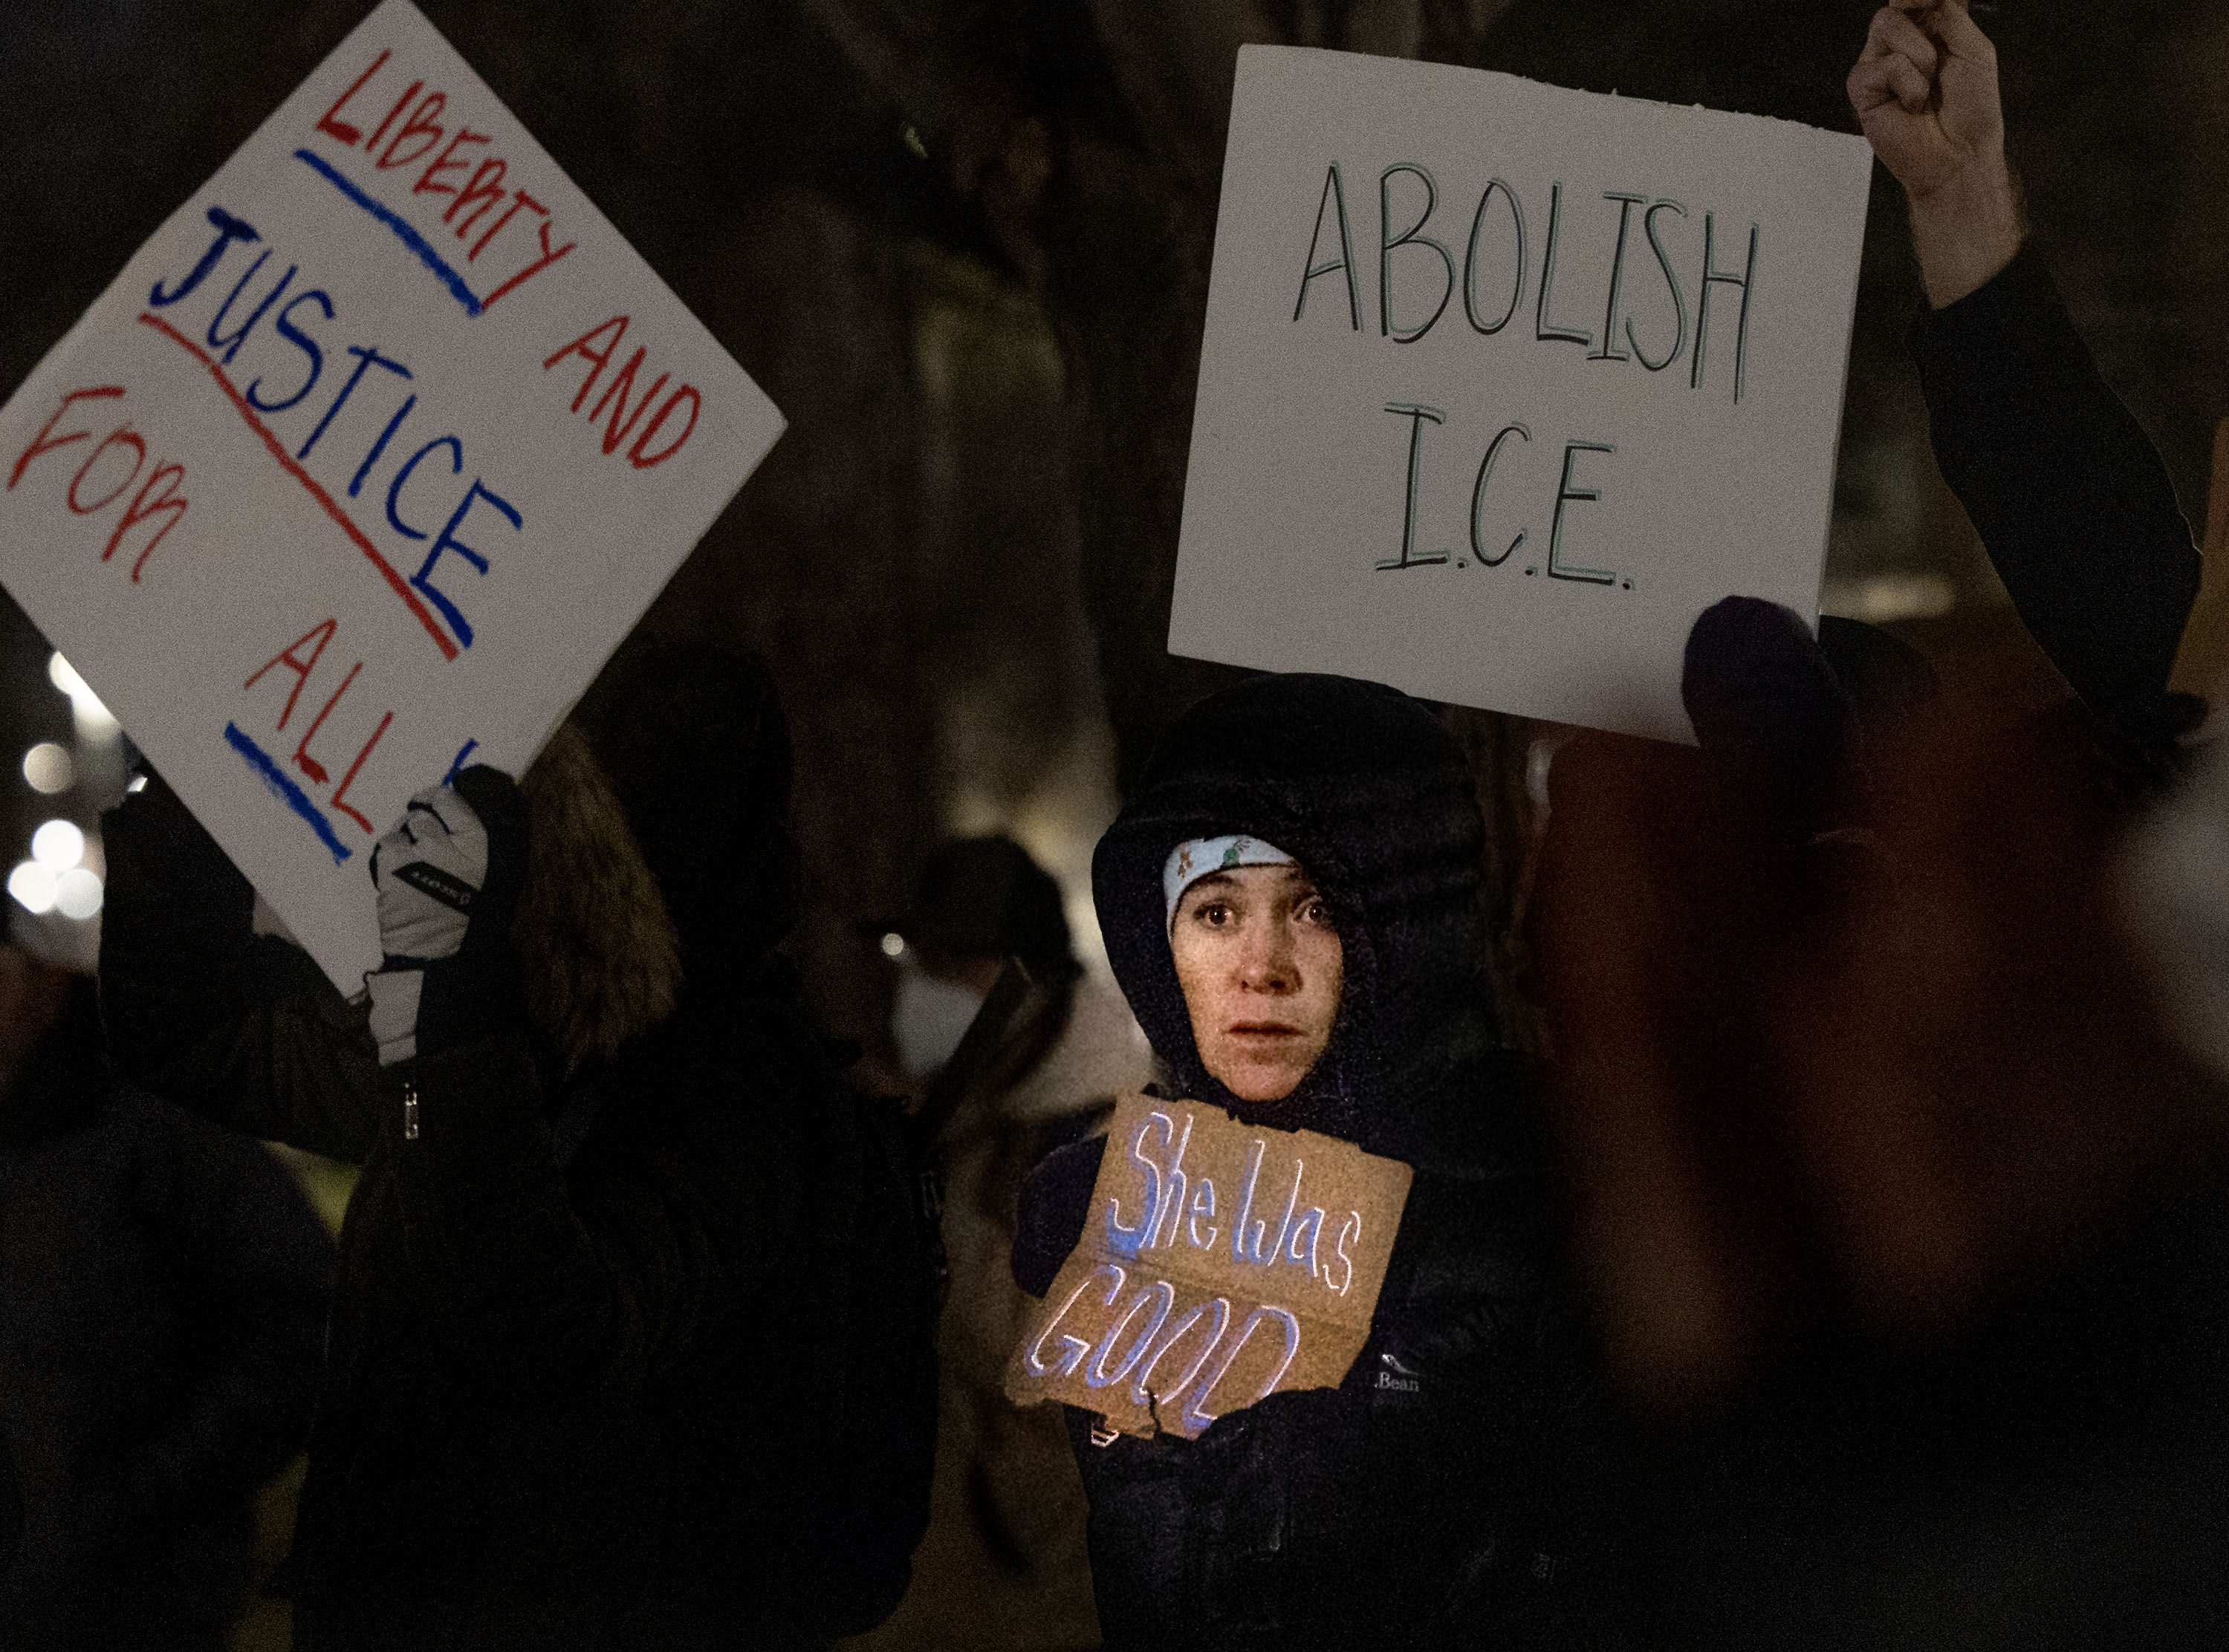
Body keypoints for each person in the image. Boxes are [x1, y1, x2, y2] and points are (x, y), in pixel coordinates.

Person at [98, 639, 927, 1651]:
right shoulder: (531, 1033)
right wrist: (196, 815)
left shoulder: (741, 1086)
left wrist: (451, 1006)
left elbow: (553, 1323)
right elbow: (193, 1037)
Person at [1010, 672, 1641, 1651]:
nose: (1261, 966)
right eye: (1215, 911)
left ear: (1403, 923)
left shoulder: (1555, 1201)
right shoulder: (1110, 1216)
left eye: (1314, 908)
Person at [0, 926, 331, 1651]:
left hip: (136, 1596)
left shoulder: (157, 1124)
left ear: (49, 982)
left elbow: (298, 1313)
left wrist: (145, 1491)